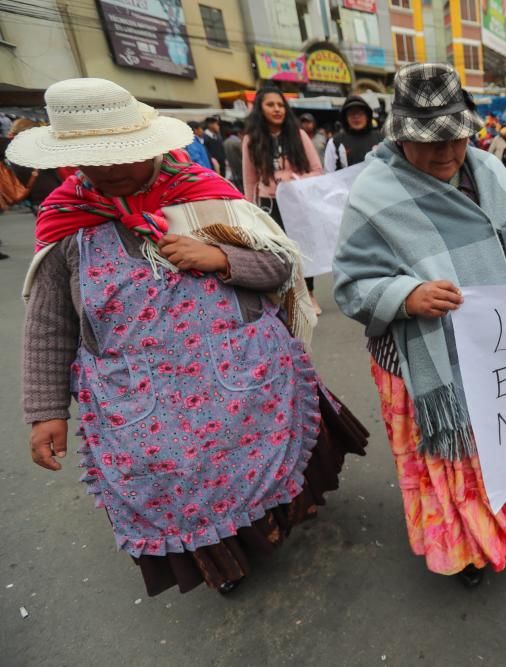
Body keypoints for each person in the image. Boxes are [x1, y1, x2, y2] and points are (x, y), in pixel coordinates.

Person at [9, 77, 368, 597]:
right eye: (93, 159)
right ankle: (223, 563)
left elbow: (278, 269)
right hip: (142, 403)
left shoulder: (206, 197)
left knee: (258, 464)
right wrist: (46, 412)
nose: (109, 170)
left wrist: (221, 258)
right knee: (181, 492)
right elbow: (48, 322)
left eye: (120, 155)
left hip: (241, 381)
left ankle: (269, 527)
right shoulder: (68, 221)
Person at [334, 64, 506, 588]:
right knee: (453, 462)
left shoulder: (488, 170)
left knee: (498, 442)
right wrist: (406, 294)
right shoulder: (374, 192)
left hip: (498, 350)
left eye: (455, 138)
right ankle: (465, 545)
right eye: (428, 142)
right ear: (399, 136)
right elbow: (350, 287)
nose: (445, 152)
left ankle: (505, 504)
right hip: (423, 363)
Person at [242, 86, 324, 313]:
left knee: (303, 248)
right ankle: (288, 296)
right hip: (268, 205)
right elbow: (250, 180)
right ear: (260, 108)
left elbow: (318, 170)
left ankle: (309, 293)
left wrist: (294, 178)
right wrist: (250, 211)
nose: (277, 109)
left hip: (296, 201)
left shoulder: (298, 135)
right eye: (270, 105)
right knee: (277, 251)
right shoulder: (251, 140)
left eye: (280, 105)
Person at [324, 95, 383, 171]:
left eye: (360, 113)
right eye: (352, 114)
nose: (356, 117)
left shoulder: (381, 138)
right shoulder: (335, 142)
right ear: (345, 118)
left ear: (367, 116)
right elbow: (329, 173)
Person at [223, 121, 244, 192]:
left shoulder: (226, 142)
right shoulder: (238, 142)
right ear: (239, 134)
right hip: (241, 169)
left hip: (232, 170)